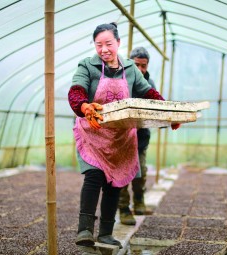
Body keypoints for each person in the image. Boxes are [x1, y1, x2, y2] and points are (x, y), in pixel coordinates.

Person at [68, 22, 180, 249]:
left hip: (121, 138)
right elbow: (76, 91)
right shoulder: (87, 66)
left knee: (114, 183)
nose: (104, 49)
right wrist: (84, 107)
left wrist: (168, 113)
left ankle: (106, 233)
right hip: (94, 134)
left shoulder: (130, 69)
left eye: (108, 43)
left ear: (118, 43)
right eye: (99, 45)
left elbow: (149, 93)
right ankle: (85, 231)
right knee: (94, 177)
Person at [118, 47, 155, 225]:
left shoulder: (149, 83)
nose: (140, 69)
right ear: (129, 63)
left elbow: (155, 106)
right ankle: (124, 209)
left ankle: (139, 201)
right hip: (122, 138)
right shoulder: (121, 80)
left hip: (140, 137)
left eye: (144, 65)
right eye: (136, 64)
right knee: (123, 175)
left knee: (141, 172)